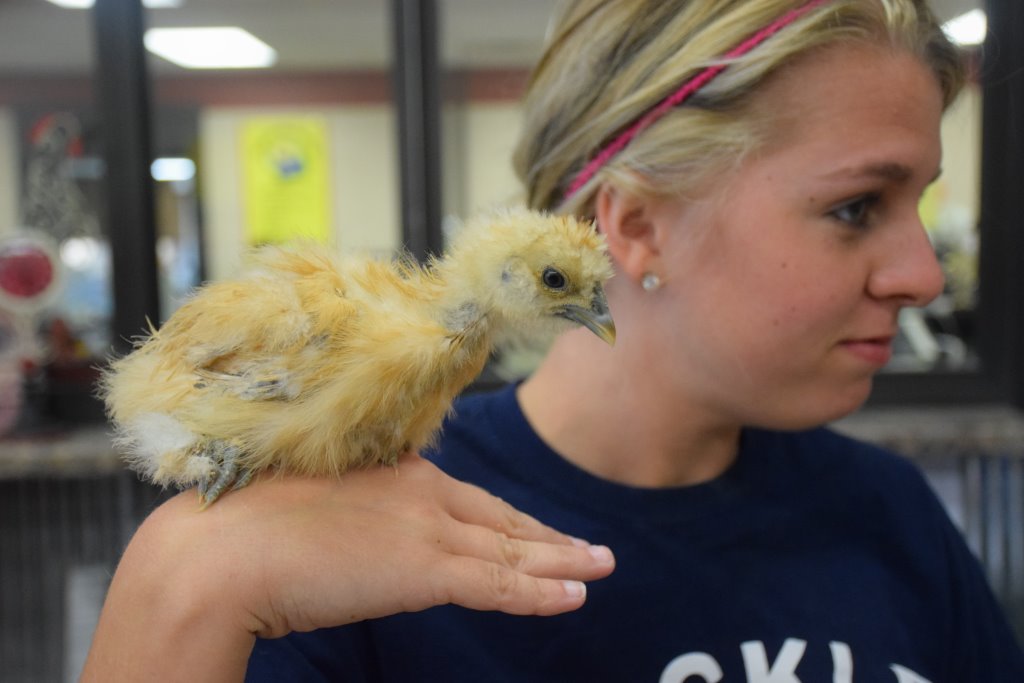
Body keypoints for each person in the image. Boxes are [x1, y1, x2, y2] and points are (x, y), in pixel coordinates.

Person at [84, 0, 1024, 680]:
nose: (924, 275)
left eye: (919, 203)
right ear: (638, 226)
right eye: (857, 206)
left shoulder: (891, 515)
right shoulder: (339, 541)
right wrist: (182, 586)